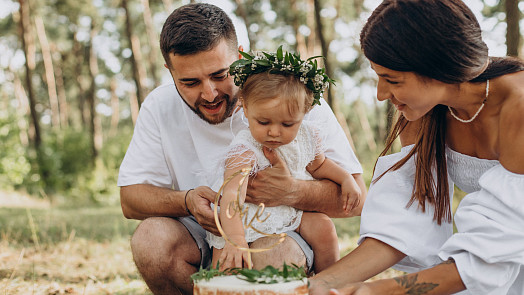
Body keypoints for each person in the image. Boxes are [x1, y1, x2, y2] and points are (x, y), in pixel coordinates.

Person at [117, 3, 366, 295]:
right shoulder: (159, 106)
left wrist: (292, 191)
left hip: (281, 232)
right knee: (150, 241)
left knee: (271, 257)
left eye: (220, 75)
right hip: (209, 236)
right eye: (190, 82)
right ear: (169, 71)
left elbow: (357, 199)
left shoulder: (293, 99)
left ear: (240, 56)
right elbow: (130, 199)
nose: (209, 93)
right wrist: (186, 202)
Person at [308, 0, 524, 294]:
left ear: (438, 68)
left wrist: (380, 290)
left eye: (391, 80)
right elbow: (404, 220)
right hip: (488, 264)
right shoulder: (425, 112)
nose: (381, 94)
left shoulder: (519, 107)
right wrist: (315, 286)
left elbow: (500, 244)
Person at [207, 47, 362, 273]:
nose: (274, 132)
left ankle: (329, 281)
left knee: (324, 227)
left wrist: (346, 178)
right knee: (227, 266)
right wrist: (235, 238)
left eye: (287, 124)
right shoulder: (244, 149)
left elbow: (319, 165)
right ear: (246, 109)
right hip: (247, 219)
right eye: (264, 122)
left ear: (305, 112)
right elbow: (232, 194)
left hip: (290, 211)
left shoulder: (307, 136)